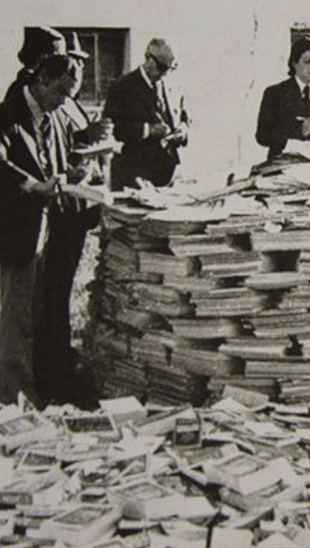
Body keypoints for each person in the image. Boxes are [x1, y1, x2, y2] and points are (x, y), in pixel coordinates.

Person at [0, 55, 82, 405]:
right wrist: (33, 185)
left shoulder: (55, 116)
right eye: (61, 92)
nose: (64, 101)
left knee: (34, 313)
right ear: (42, 78)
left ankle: (28, 386)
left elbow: (58, 162)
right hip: (13, 230)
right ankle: (11, 397)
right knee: (14, 316)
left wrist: (74, 173)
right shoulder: (8, 114)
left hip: (46, 227)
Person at [34, 36, 110, 406]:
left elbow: (71, 141)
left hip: (73, 208)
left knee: (61, 293)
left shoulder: (65, 97)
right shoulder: (34, 99)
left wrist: (92, 143)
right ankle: (52, 373)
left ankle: (61, 363)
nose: (76, 69)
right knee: (51, 295)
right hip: (57, 210)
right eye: (68, 61)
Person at [103, 38, 190, 189]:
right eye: (163, 67)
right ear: (148, 59)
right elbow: (111, 129)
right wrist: (148, 130)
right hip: (135, 176)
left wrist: (183, 130)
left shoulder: (173, 86)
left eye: (172, 67)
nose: (166, 73)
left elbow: (185, 117)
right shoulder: (122, 87)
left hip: (170, 175)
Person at [256, 37, 310, 160]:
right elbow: (262, 136)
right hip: (283, 165)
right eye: (307, 61)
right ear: (294, 64)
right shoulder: (275, 93)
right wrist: (298, 131)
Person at [5, 26, 66, 101]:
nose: (60, 64)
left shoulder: (26, 84)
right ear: (43, 56)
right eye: (57, 58)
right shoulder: (27, 88)